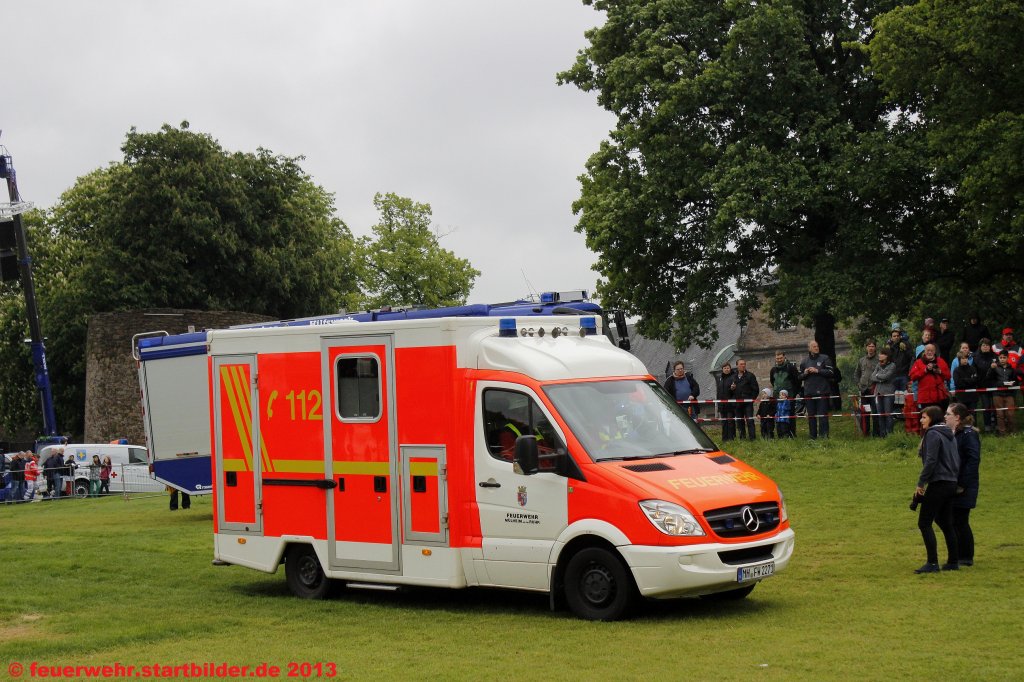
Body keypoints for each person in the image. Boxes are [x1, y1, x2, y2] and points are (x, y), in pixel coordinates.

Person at [913, 405, 960, 574]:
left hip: (939, 482)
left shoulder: (932, 434)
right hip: (951, 482)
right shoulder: (949, 434)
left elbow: (931, 461)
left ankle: (932, 563)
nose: (921, 420)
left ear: (932, 418)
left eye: (924, 417)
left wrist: (921, 483)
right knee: (945, 522)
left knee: (924, 522)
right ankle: (953, 561)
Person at [946, 403, 980, 567]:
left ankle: (966, 556)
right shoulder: (955, 434)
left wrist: (962, 484)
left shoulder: (968, 435)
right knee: (954, 520)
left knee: (960, 520)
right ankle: (959, 554)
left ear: (957, 417)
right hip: (954, 482)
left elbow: (973, 460)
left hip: (964, 484)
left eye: (948, 414)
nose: (945, 417)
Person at [800, 340, 835, 439]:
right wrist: (805, 373)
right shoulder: (804, 361)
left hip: (822, 391)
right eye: (814, 346)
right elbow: (799, 376)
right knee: (811, 416)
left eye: (817, 346)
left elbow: (831, 372)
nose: (816, 348)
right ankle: (813, 437)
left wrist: (817, 370)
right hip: (809, 392)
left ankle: (824, 437)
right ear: (809, 348)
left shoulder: (825, 358)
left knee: (823, 416)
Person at [909, 344, 951, 412]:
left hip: (939, 396)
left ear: (934, 352)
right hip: (925, 398)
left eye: (931, 350)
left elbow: (948, 376)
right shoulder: (918, 362)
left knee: (939, 417)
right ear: (924, 351)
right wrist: (925, 370)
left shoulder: (941, 361)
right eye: (928, 350)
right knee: (926, 417)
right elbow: (912, 376)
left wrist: (940, 371)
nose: (929, 352)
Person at [854, 339, 880, 436]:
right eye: (869, 346)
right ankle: (866, 433)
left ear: (875, 348)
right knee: (865, 412)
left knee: (875, 412)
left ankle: (876, 433)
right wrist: (858, 384)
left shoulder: (879, 360)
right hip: (863, 390)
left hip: (874, 390)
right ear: (866, 348)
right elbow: (856, 374)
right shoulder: (861, 360)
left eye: (873, 346)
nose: (871, 348)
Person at [729, 358, 759, 441]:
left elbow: (756, 389)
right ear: (737, 365)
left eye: (744, 364)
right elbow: (729, 391)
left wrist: (751, 399)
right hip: (737, 403)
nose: (743, 366)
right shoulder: (733, 377)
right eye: (741, 364)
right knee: (739, 421)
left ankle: (752, 438)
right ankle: (742, 438)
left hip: (747, 403)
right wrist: (731, 389)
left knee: (750, 420)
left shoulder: (750, 376)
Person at [988, 350, 1017, 435]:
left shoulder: (1011, 369)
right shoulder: (994, 367)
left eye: (1004, 357)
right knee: (1000, 415)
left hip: (1009, 394)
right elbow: (989, 378)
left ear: (1007, 358)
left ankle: (1012, 432)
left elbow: (1015, 380)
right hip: (997, 394)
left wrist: (1013, 383)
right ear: (998, 358)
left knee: (1010, 414)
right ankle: (1002, 433)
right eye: (1000, 357)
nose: (1002, 359)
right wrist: (991, 369)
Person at [871, 348, 898, 437]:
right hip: (878, 392)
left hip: (888, 393)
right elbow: (872, 377)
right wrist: (880, 378)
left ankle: (889, 435)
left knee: (888, 414)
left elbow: (887, 376)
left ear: (887, 357)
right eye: (879, 360)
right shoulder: (878, 365)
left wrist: (878, 375)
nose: (880, 362)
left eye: (882, 360)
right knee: (880, 415)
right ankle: (882, 435)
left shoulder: (892, 365)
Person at [973, 338, 998, 433]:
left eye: (987, 345)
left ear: (990, 347)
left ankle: (996, 426)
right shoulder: (976, 357)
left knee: (995, 406)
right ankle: (987, 427)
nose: (985, 347)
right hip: (982, 386)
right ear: (980, 347)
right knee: (986, 406)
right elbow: (976, 370)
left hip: (994, 384)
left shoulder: (995, 356)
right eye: (983, 345)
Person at [950, 347, 980, 416]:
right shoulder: (956, 370)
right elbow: (957, 383)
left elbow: (975, 380)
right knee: (962, 416)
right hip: (961, 397)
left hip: (972, 397)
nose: (965, 360)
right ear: (959, 360)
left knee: (973, 415)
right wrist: (969, 380)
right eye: (963, 359)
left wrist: (964, 380)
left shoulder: (973, 369)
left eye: (966, 358)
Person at [716, 362, 737, 441]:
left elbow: (735, 390)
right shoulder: (720, 378)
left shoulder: (733, 377)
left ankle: (731, 438)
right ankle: (724, 439)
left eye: (728, 368)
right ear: (722, 369)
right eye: (725, 368)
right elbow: (718, 392)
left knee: (730, 421)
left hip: (730, 404)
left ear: (730, 368)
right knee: (724, 422)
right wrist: (718, 403)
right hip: (722, 404)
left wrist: (732, 388)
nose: (726, 369)